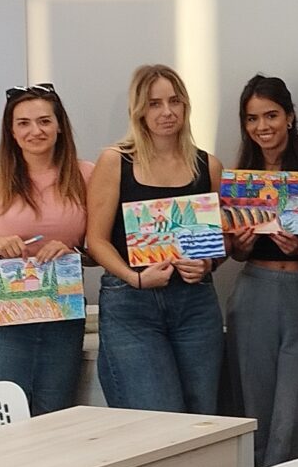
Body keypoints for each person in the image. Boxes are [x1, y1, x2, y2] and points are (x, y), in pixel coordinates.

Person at [86, 64, 223, 414]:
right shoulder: (115, 161)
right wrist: (134, 277)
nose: (167, 112)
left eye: (174, 101)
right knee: (157, 415)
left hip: (195, 303)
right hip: (131, 302)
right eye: (154, 103)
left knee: (203, 416)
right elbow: (96, 240)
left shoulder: (208, 166)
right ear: (139, 111)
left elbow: (219, 241)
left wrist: (208, 263)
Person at [0, 83, 91, 415]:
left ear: (60, 125)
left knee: (55, 416)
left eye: (44, 121)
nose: (36, 131)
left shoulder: (86, 176)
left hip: (61, 314)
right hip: (2, 318)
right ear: (11, 131)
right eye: (23, 123)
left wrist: (73, 252)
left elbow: (101, 249)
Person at [222, 75, 298, 467]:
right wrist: (241, 245)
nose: (262, 126)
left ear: (289, 116)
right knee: (255, 406)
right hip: (254, 293)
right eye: (252, 118)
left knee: (295, 410)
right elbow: (231, 252)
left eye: (271, 115)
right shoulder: (240, 174)